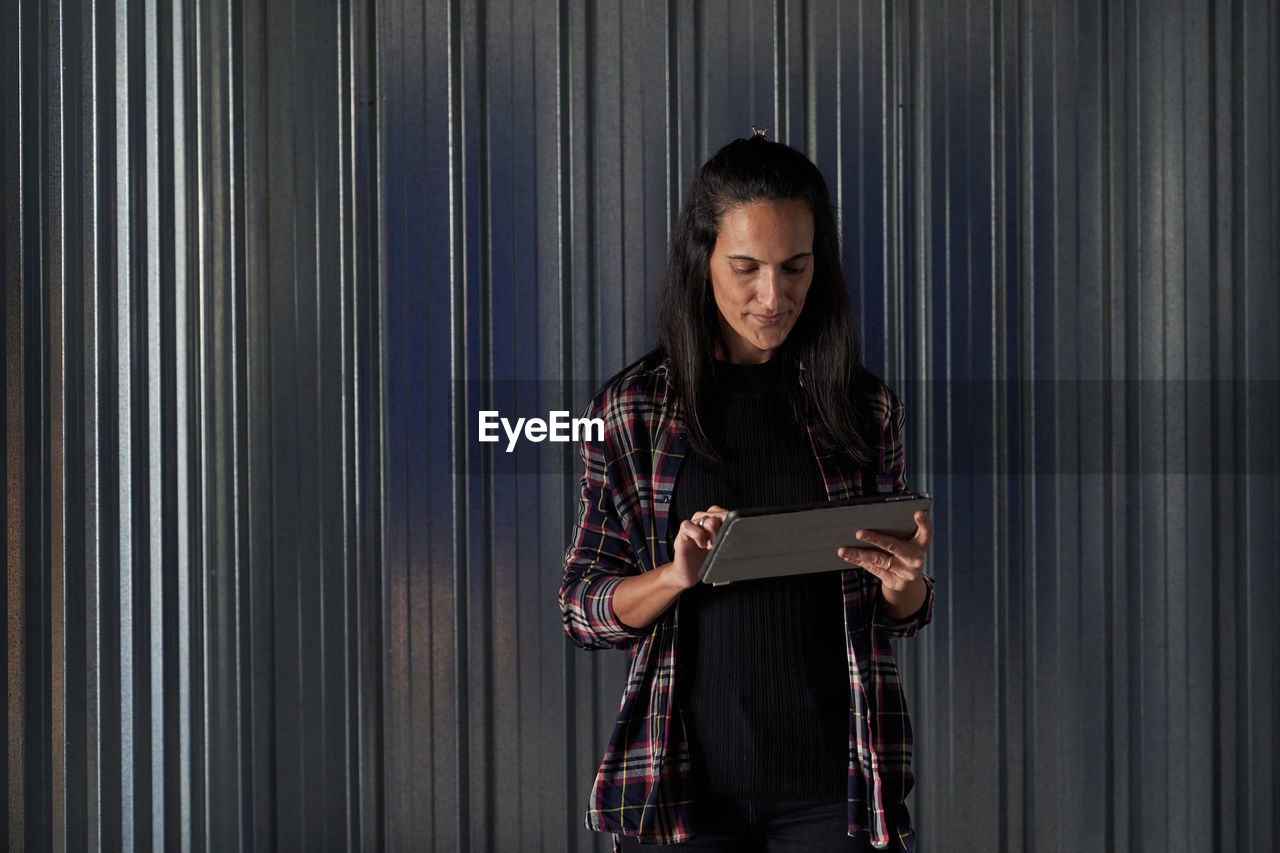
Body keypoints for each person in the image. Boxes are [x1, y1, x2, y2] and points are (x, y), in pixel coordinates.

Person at [558, 133, 935, 852]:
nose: (774, 295)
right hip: (682, 795)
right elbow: (582, 608)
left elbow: (901, 616)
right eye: (746, 268)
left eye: (795, 266)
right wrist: (674, 576)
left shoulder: (863, 409)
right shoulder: (634, 409)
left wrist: (905, 585)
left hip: (839, 788)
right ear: (703, 263)